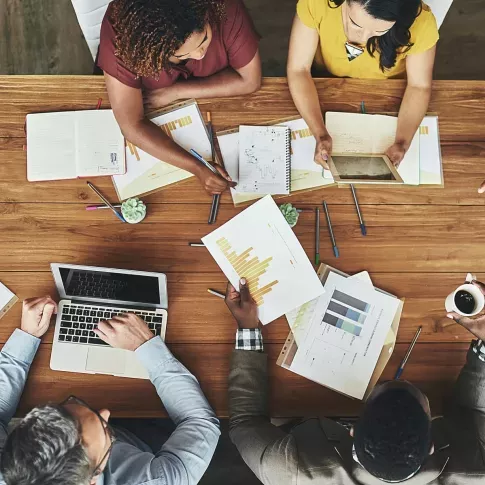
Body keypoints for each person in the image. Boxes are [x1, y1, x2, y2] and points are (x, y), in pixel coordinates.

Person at [225, 277, 485, 484]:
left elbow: (245, 423)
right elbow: (475, 415)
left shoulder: (290, 471)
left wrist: (248, 328)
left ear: (351, 429)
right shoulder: (476, 472)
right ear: (431, 446)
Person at [0, 296, 220, 485]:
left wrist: (26, 336)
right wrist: (147, 346)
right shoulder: (155, 480)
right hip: (149, 439)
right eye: (105, 430)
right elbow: (199, 422)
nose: (104, 412)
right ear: (93, 479)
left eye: (65, 409)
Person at [97, 0, 261, 196]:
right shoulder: (124, 36)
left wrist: (175, 92)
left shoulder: (224, 7)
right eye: (182, 55)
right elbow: (131, 125)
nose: (199, 55)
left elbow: (250, 81)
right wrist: (198, 168)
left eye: (205, 38)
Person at [287, 0, 439, 169]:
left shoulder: (422, 23)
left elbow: (419, 86)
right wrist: (319, 133)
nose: (364, 37)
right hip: (326, 83)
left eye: (380, 30)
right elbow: (298, 69)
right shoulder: (317, 3)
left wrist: (402, 142)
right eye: (355, 24)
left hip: (388, 93)